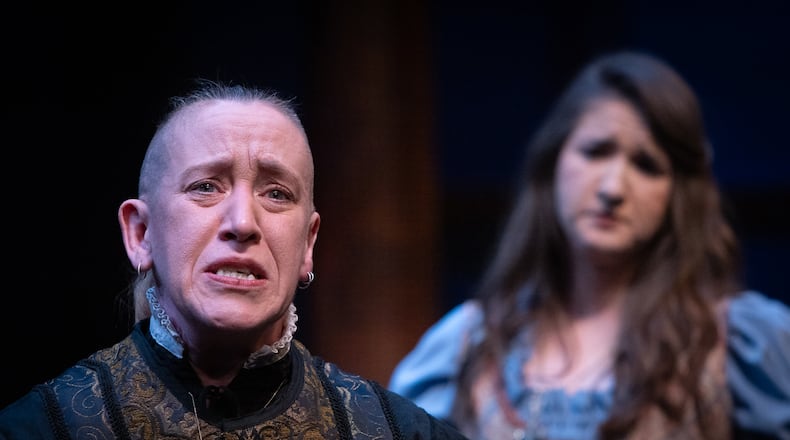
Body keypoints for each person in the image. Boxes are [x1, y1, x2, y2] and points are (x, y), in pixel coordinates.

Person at [0, 80, 468, 439]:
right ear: (140, 233)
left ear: (308, 243)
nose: (243, 222)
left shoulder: (395, 431)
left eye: (277, 193)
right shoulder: (47, 425)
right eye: (205, 186)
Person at [389, 51, 790, 439]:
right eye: (596, 151)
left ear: (678, 194)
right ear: (555, 162)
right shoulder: (467, 345)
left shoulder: (732, 342)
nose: (613, 188)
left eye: (647, 165)